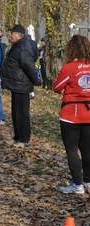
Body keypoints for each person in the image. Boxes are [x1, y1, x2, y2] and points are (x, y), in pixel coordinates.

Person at [53, 35, 90, 194]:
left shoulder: (69, 67)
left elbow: (57, 87)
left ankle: (77, 184)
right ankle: (88, 180)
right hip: (89, 112)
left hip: (71, 114)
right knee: (87, 149)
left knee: (72, 149)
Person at [0, 24, 41, 147]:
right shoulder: (17, 46)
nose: (10, 35)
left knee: (22, 114)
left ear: (19, 35)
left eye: (12, 33)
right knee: (16, 113)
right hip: (16, 85)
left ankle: (24, 140)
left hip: (22, 86)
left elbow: (29, 67)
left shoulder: (23, 48)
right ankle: (17, 137)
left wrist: (36, 81)